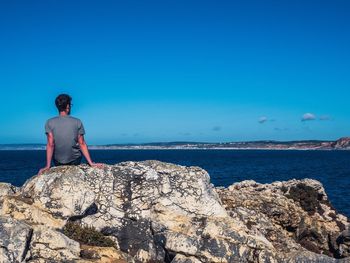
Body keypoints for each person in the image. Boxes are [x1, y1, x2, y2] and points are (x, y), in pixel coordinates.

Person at [38, 94, 103, 174]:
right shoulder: (77, 121)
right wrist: (91, 163)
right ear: (68, 107)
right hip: (75, 160)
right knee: (77, 154)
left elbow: (50, 144)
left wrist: (48, 166)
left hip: (58, 162)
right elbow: (82, 143)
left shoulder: (49, 122)